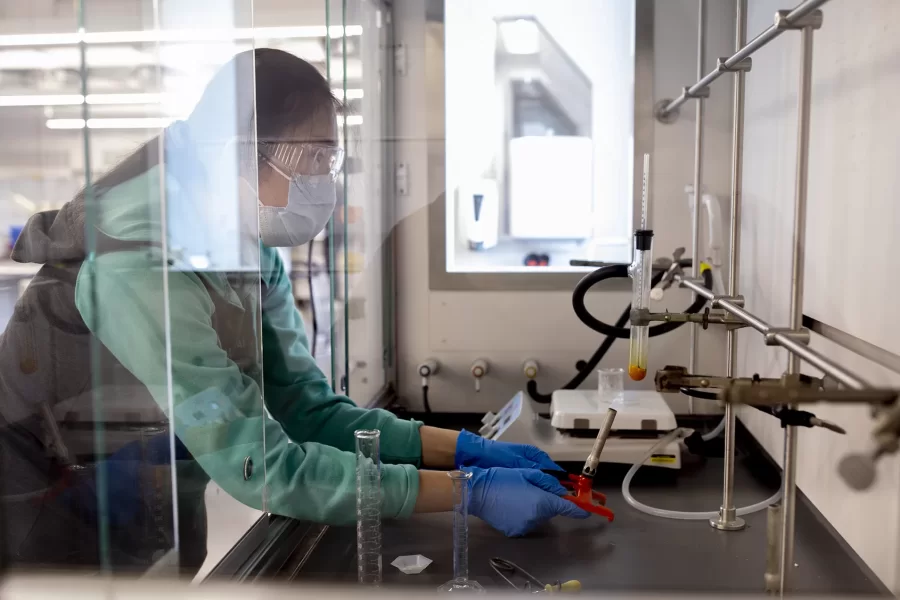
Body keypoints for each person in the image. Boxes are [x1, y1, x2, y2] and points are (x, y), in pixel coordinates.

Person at [0, 49, 588, 573]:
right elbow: (262, 466)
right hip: (51, 524)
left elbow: (306, 410)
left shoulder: (244, 248)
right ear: (238, 155)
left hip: (155, 496)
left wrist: (461, 448)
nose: (322, 183)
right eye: (309, 158)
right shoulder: (139, 268)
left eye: (330, 161)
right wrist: (468, 491)